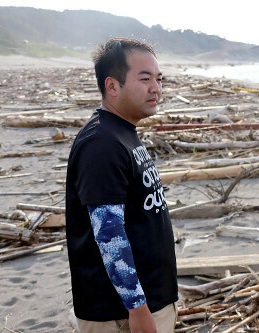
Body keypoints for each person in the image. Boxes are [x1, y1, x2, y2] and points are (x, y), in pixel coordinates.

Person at [66, 37, 178, 333]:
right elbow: (109, 235)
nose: (156, 88)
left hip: (145, 305)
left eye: (158, 79)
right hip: (121, 316)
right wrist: (138, 310)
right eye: (145, 79)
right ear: (112, 86)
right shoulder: (101, 143)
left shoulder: (122, 133)